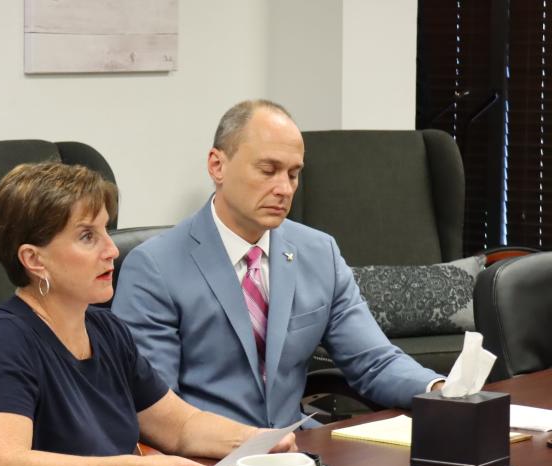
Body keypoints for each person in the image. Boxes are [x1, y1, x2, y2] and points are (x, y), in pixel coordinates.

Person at [0, 162, 295, 466]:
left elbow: (181, 426)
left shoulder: (106, 330)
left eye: (106, 231)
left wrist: (257, 441)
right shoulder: (0, 339)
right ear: (34, 260)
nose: (111, 250)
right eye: (87, 236)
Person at [112, 99, 443, 429]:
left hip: (297, 448)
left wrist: (442, 391)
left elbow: (373, 362)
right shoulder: (154, 267)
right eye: (268, 170)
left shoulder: (319, 252)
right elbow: (155, 407)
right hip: (206, 460)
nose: (284, 189)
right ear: (217, 166)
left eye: (294, 174)